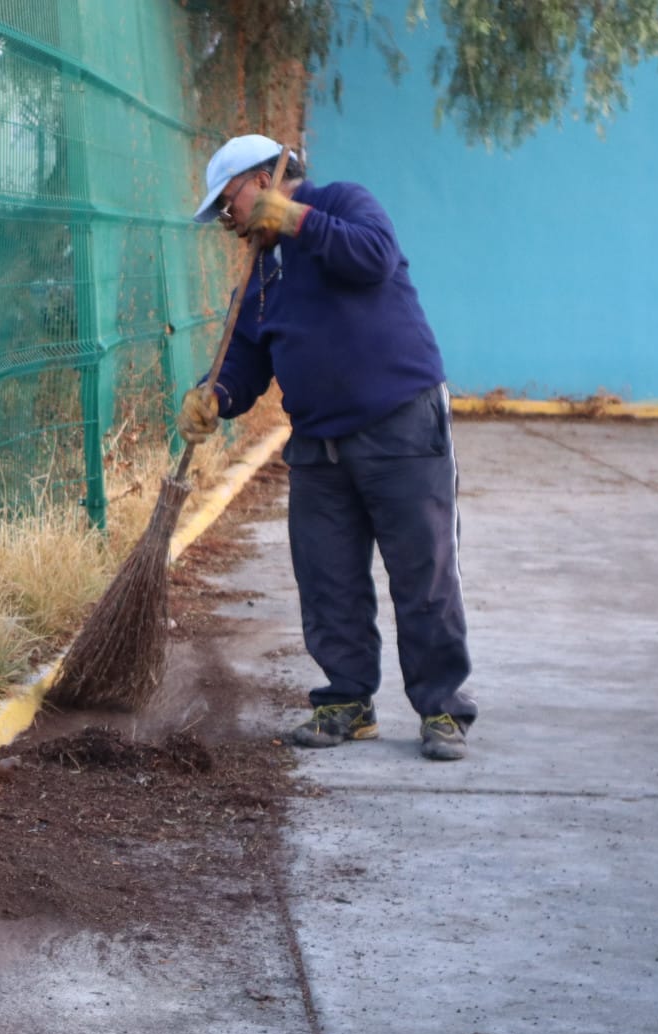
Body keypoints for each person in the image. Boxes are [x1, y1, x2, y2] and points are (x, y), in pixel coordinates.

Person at [180, 134, 477, 761]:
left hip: (400, 424)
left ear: (262, 180)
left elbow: (373, 256)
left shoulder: (343, 203)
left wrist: (296, 220)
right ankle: (347, 702)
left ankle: (442, 709)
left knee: (423, 573)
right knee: (326, 579)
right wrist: (213, 393)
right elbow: (245, 361)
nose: (227, 222)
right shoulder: (260, 274)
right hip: (318, 443)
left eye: (228, 203)